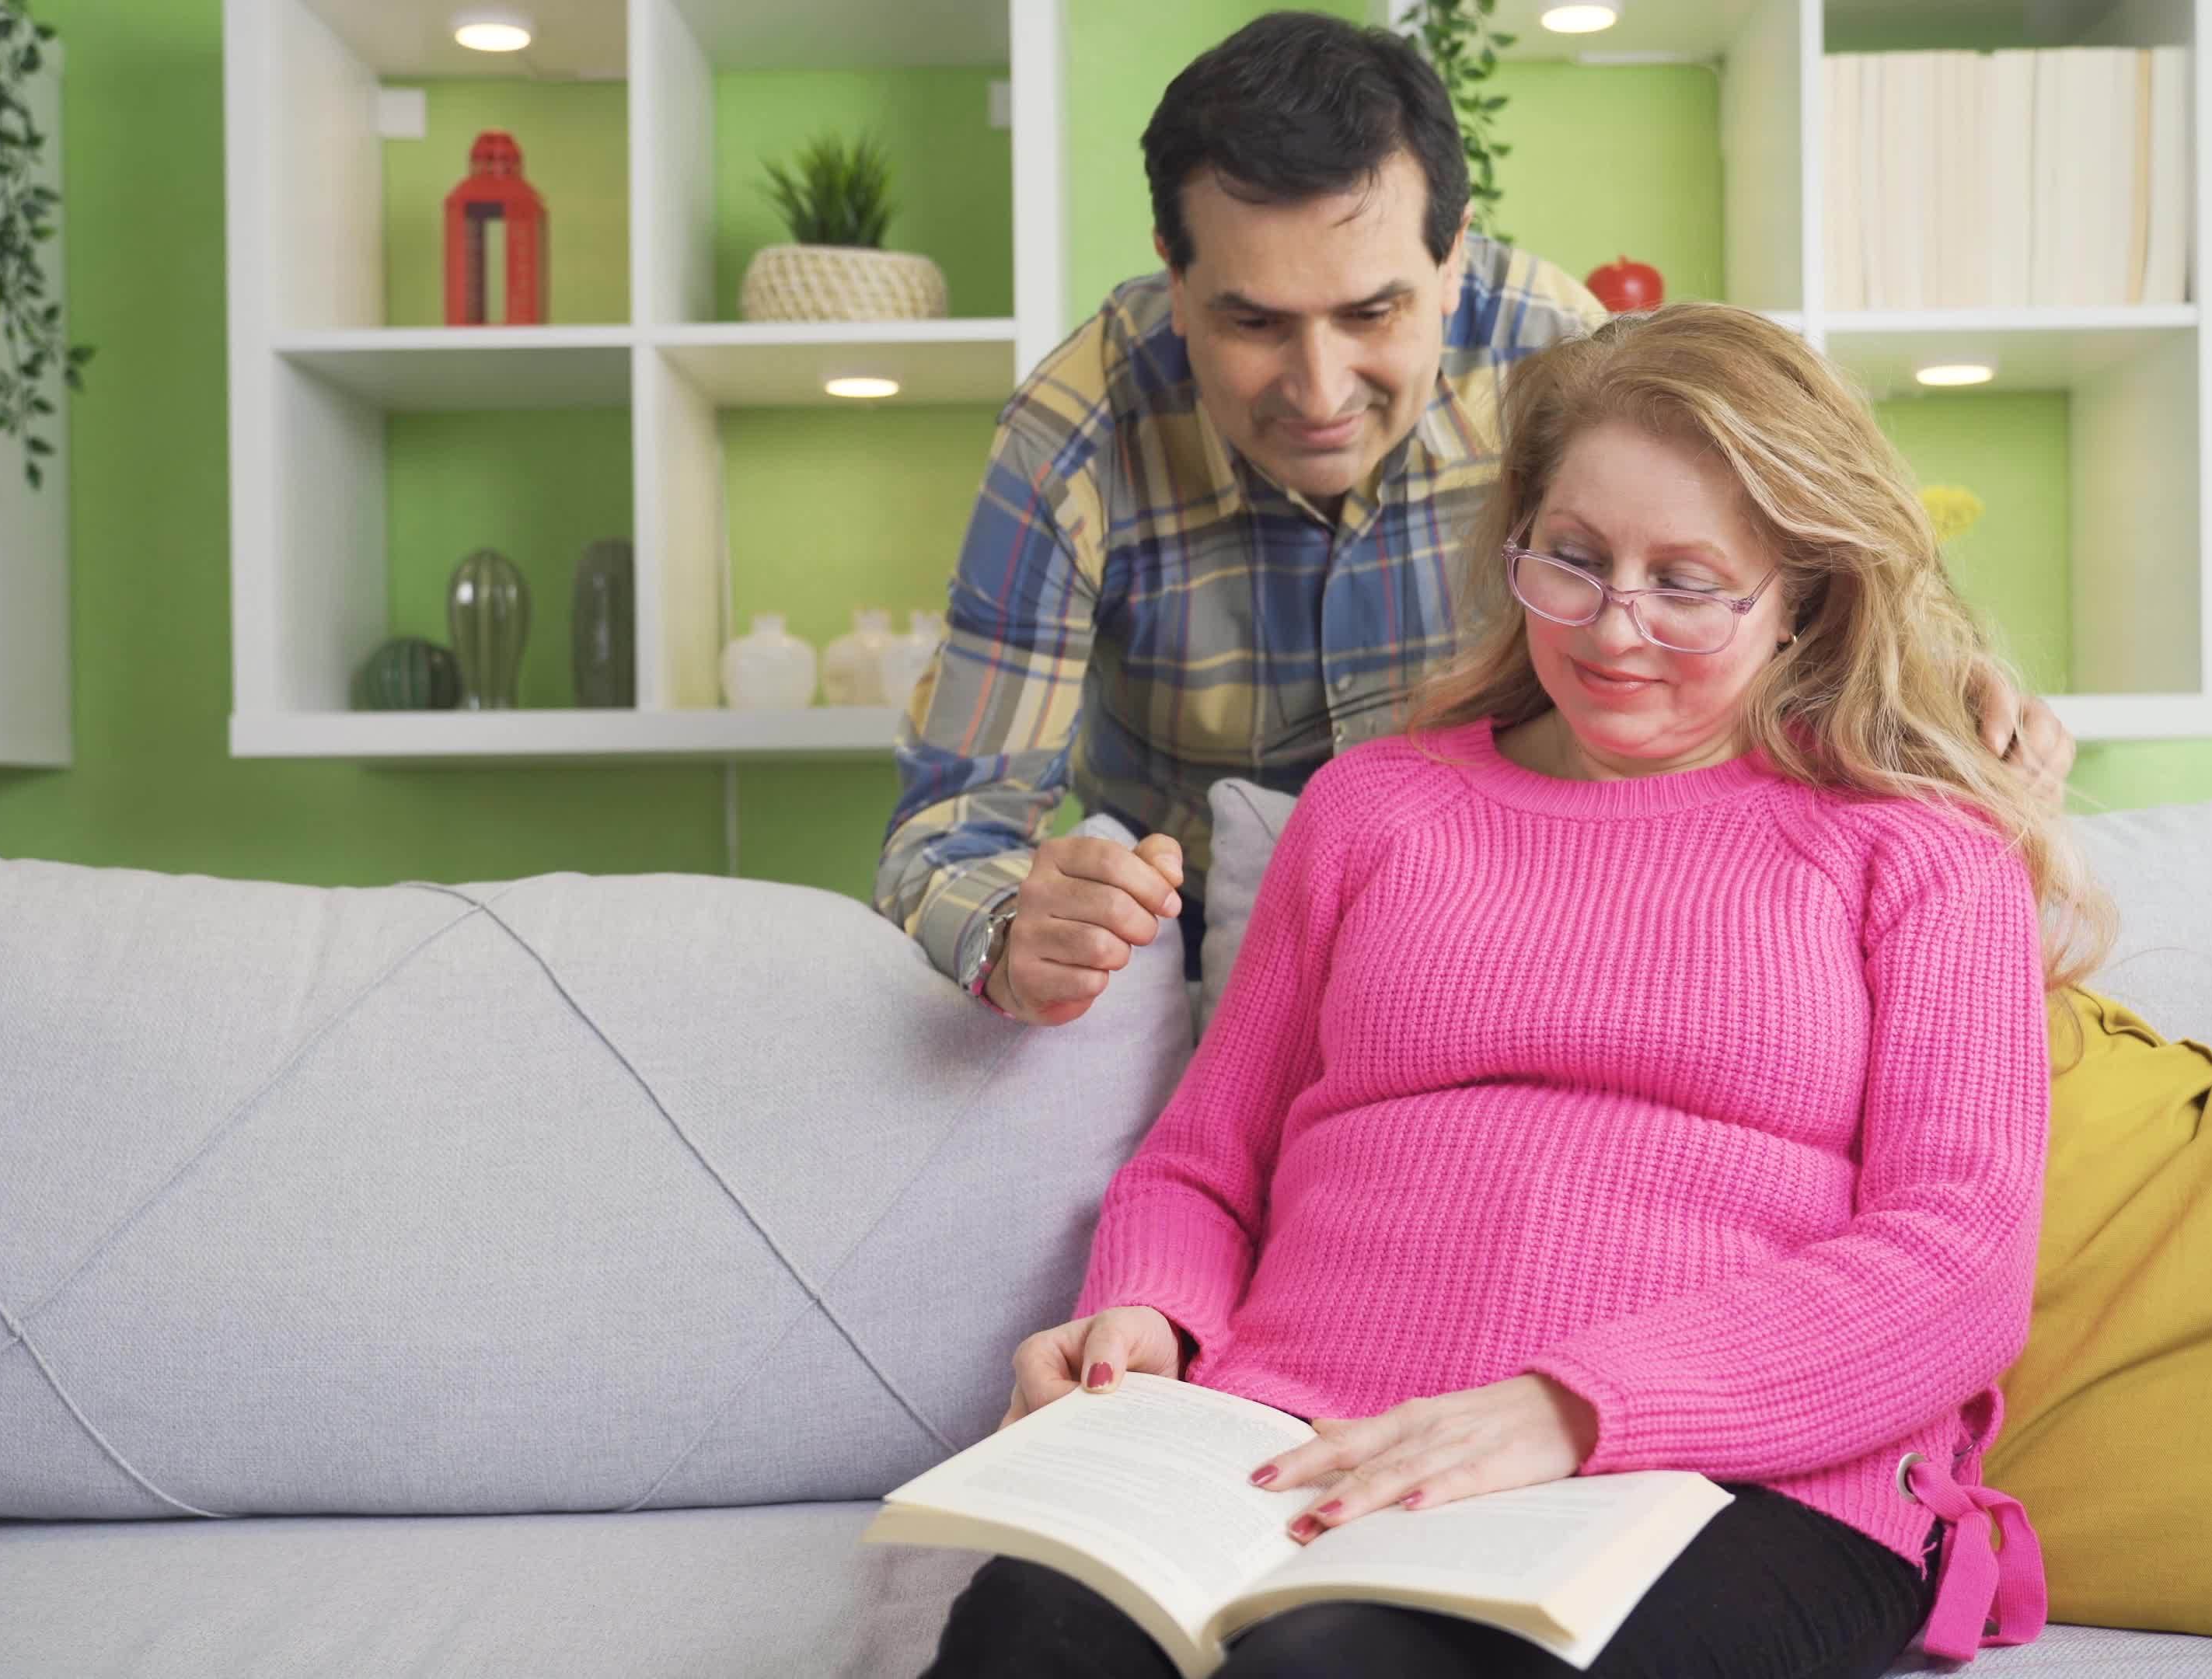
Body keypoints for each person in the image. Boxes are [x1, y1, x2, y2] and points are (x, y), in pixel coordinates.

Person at [915, 302, 2114, 1678]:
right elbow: (1203, 1166)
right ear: (1517, 544)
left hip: (1727, 1479)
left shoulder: (1915, 850)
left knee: (1338, 1668)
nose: (1617, 628)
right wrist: (1147, 1318)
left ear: (1804, 592)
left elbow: (1956, 1265)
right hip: (1297, 1441)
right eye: (1576, 561)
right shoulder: (1374, 807)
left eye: (1688, 581)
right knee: (1027, 1631)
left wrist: (1573, 1410)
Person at [874, 11, 2074, 1028]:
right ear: (1171, 277)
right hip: (1197, 959)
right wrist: (1010, 928)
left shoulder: (1557, 356)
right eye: (1252, 322)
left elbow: (1773, 590)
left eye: (1373, 313)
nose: (1320, 389)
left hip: (1514, 922)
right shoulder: (1072, 434)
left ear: (1454, 261)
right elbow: (945, 833)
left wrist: (1942, 694)